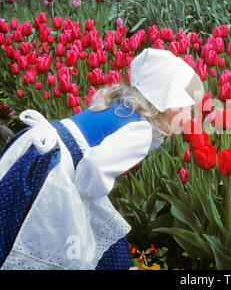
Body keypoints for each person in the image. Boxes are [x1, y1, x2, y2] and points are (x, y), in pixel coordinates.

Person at [0, 48, 205, 270]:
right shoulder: (140, 131)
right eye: (185, 108)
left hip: (42, 152)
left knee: (16, 219)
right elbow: (94, 167)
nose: (188, 116)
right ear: (165, 104)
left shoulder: (122, 107)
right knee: (73, 239)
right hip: (59, 173)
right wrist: (83, 198)